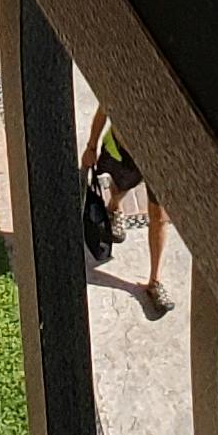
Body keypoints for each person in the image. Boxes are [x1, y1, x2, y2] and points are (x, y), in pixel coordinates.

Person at [82, 104, 170, 317]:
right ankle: (114, 208)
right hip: (123, 154)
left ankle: (154, 282)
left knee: (159, 218)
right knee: (121, 188)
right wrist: (91, 147)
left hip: (159, 162)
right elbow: (105, 107)